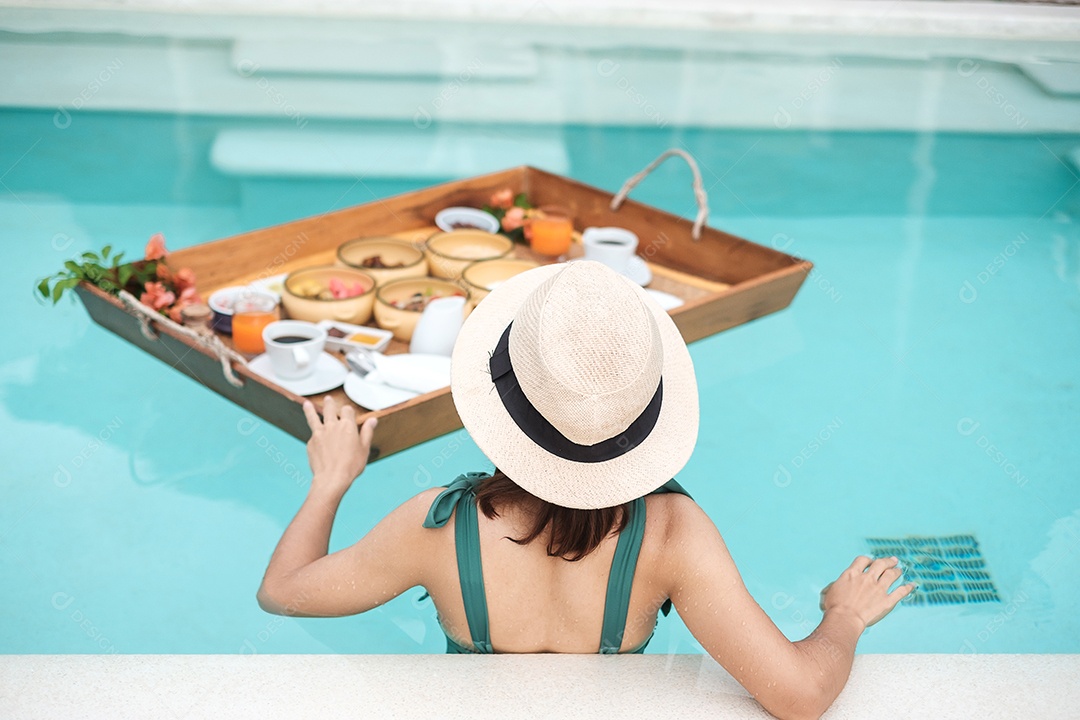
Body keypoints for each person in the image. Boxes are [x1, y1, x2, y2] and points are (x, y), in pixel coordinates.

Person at [258, 261, 914, 720]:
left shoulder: (433, 528)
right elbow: (800, 698)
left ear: (504, 410)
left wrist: (329, 483)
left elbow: (284, 594)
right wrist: (844, 617)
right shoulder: (673, 538)